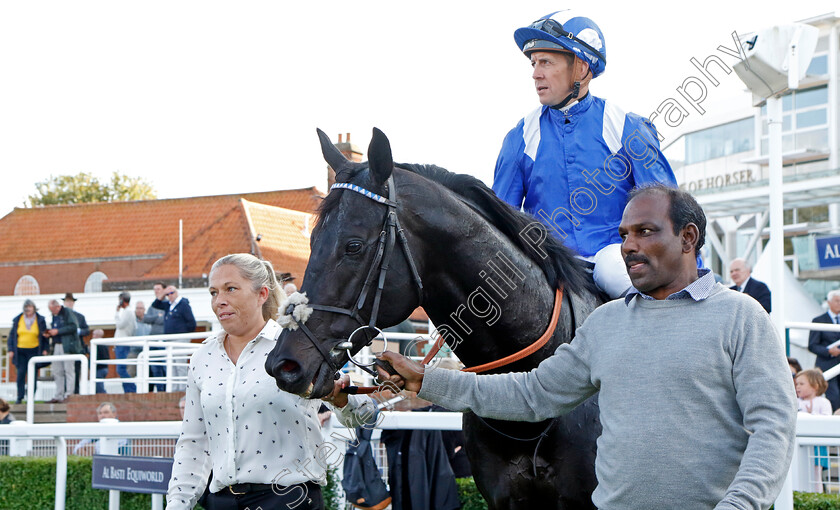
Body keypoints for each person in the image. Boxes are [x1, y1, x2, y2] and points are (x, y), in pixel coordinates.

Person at [378, 184, 796, 509]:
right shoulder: (607, 323)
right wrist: (428, 381)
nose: (628, 246)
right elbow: (531, 394)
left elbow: (774, 428)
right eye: (624, 235)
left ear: (688, 238)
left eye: (645, 232)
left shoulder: (742, 317)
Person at [166, 253, 376, 510]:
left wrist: (339, 397)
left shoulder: (297, 347)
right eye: (213, 292)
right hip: (221, 501)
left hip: (290, 500)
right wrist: (177, 503)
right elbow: (194, 442)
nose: (219, 301)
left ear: (262, 294)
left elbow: (364, 414)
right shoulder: (202, 357)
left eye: (230, 289)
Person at [492, 10, 677, 299]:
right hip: (547, 263)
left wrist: (692, 278)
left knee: (614, 270)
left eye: (546, 62)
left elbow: (668, 211)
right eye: (533, 63)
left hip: (614, 259)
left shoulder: (627, 127)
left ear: (580, 68)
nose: (535, 73)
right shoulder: (519, 137)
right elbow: (498, 219)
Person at [795, 368, 833, 493]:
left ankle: (817, 495)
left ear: (815, 386)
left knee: (816, 474)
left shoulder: (823, 402)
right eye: (796, 384)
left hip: (817, 447)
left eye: (801, 384)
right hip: (798, 446)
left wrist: (813, 414)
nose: (798, 387)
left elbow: (827, 422)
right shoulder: (795, 402)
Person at [151, 285, 196, 390]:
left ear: (176, 292)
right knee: (172, 366)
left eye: (172, 293)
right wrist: (162, 293)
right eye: (168, 294)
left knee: (180, 364)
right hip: (169, 339)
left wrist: (183, 334)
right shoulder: (168, 305)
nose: (170, 296)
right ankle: (174, 389)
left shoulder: (183, 305)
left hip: (180, 339)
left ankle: (183, 390)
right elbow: (155, 304)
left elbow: (192, 323)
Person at [7, 299, 49, 404]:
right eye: (26, 307)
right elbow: (12, 336)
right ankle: (20, 397)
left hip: (34, 350)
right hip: (20, 351)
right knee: (21, 373)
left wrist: (45, 349)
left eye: (30, 307)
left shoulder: (40, 320)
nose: (28, 309)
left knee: (33, 374)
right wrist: (11, 349)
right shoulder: (18, 320)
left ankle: (30, 397)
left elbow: (45, 336)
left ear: (34, 308)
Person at [44, 299, 84, 403]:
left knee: (69, 370)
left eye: (52, 310)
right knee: (57, 371)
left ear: (57, 307)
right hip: (56, 345)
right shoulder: (54, 316)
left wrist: (58, 331)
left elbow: (73, 327)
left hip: (67, 346)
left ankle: (69, 394)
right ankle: (59, 395)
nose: (52, 312)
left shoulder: (67, 312)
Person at [809, 290, 840, 412]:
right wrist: (829, 351)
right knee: (834, 396)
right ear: (829, 302)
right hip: (826, 365)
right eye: (837, 301)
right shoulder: (818, 320)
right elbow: (812, 345)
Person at [63, 293, 90, 395]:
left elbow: (86, 330)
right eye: (67, 302)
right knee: (65, 371)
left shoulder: (80, 317)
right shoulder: (61, 317)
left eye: (70, 302)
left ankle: (76, 392)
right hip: (66, 348)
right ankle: (66, 392)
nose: (69, 304)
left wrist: (78, 331)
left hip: (77, 347)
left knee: (77, 371)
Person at [143, 283, 168, 391]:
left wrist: (157, 319)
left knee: (164, 366)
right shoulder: (152, 306)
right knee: (153, 366)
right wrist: (157, 317)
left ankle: (164, 389)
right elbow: (146, 319)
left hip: (164, 340)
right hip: (152, 340)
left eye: (158, 289)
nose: (156, 291)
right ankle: (158, 390)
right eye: (155, 289)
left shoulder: (168, 303)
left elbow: (166, 320)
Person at [114, 292, 136, 393]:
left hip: (123, 343)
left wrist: (117, 313)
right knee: (121, 369)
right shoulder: (128, 312)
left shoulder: (128, 311)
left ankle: (131, 389)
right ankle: (128, 390)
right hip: (122, 343)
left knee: (121, 369)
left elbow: (120, 325)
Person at [91, 329, 110, 394]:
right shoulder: (105, 344)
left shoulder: (96, 344)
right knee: (98, 386)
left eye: (93, 334)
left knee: (99, 388)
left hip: (99, 368)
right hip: (105, 368)